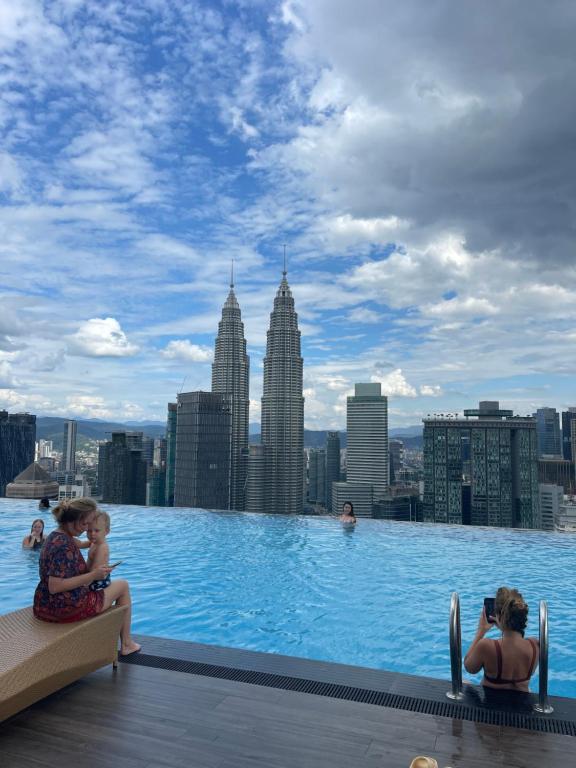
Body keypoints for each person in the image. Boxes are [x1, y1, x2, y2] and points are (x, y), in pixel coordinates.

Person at [33, 497, 141, 655]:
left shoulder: (55, 536)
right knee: (123, 585)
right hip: (64, 608)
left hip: (43, 604)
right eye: (85, 525)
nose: (86, 530)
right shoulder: (63, 546)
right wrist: (93, 575)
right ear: (73, 520)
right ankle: (126, 644)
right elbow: (55, 586)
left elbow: (78, 544)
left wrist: (89, 550)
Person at [464, 586, 539, 692]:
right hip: (522, 704)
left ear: (498, 615)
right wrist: (504, 624)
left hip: (491, 705)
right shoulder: (535, 645)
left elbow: (469, 667)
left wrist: (481, 632)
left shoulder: (486, 646)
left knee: (462, 681)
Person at [87, 511, 113, 591]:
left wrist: (82, 586)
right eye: (89, 531)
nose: (92, 534)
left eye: (97, 530)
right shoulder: (94, 542)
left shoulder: (102, 548)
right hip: (92, 578)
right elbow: (79, 543)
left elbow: (95, 572)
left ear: (106, 531)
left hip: (98, 584)